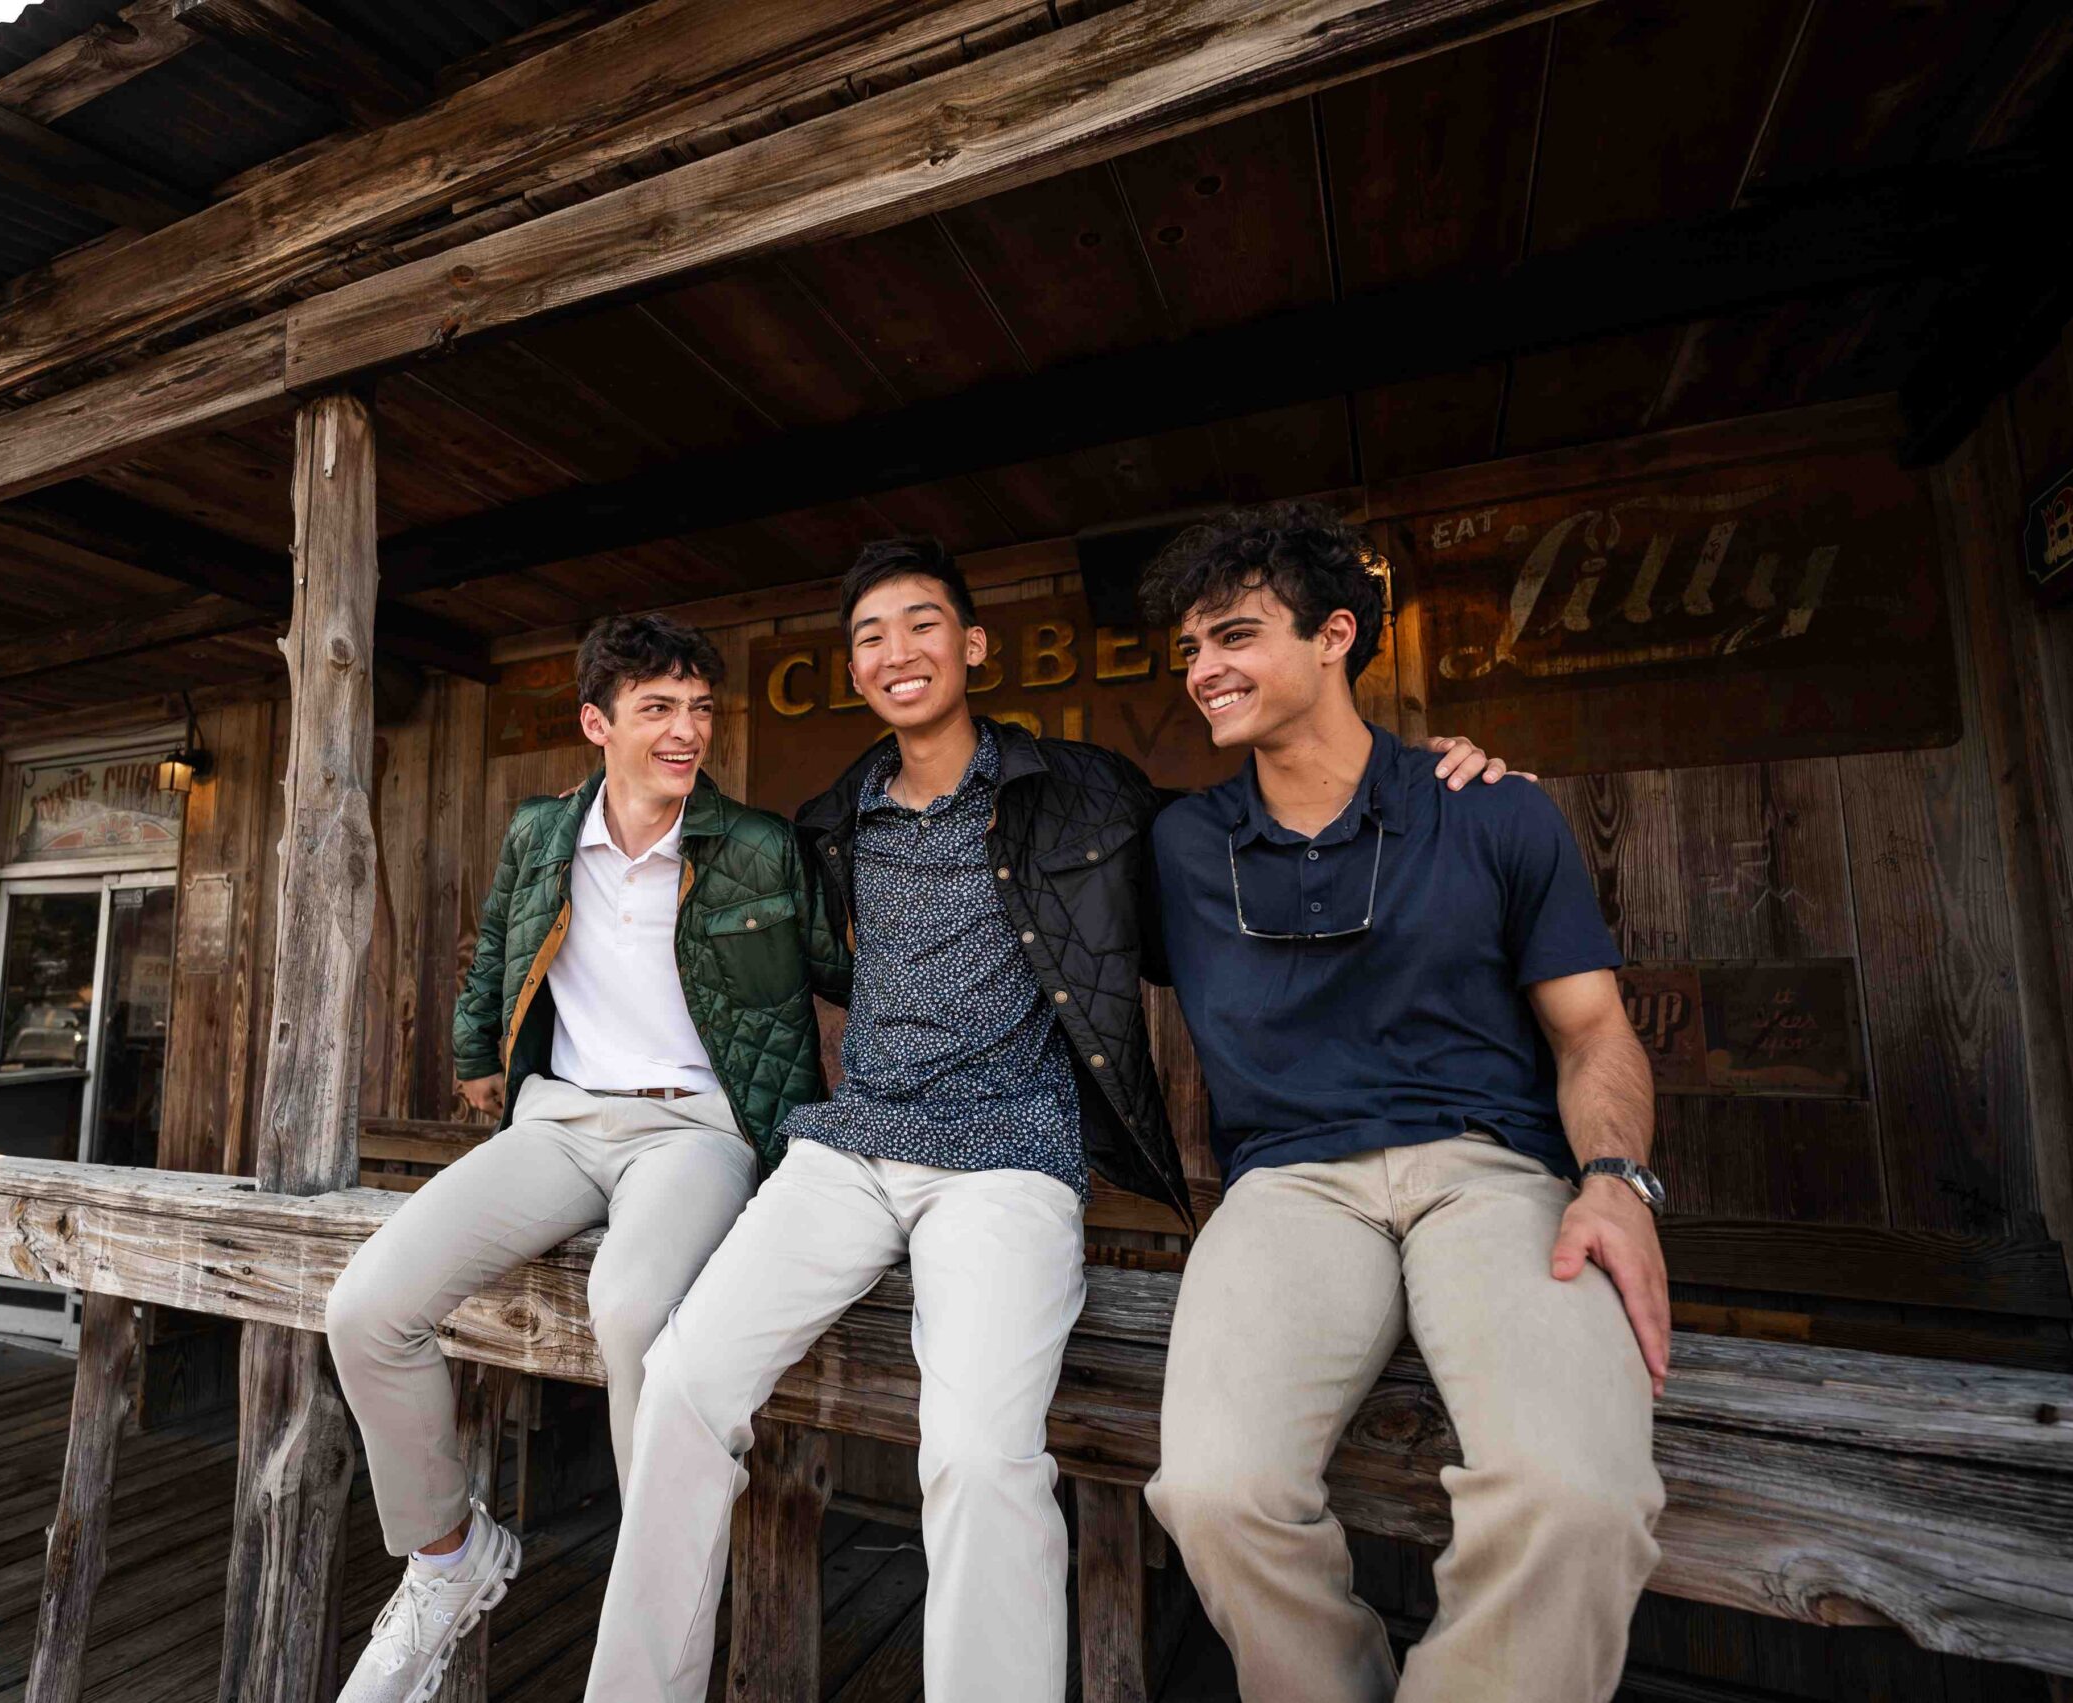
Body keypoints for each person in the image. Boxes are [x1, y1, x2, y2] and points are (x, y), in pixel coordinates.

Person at [584, 538, 1513, 1703]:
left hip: (1007, 1156)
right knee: (677, 1382)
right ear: (856, 671)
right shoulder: (836, 821)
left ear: (971, 646)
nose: (895, 650)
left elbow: (1268, 825)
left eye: (921, 624)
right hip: (850, 1147)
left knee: (977, 1455)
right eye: (870, 636)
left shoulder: (1087, 791)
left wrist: (1422, 780)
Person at [1139, 502, 1667, 1703]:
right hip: (1286, 1187)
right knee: (1214, 1492)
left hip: (1488, 1172)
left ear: (1335, 635)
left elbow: (1593, 1033)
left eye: (1233, 636)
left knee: (1578, 1493)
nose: (1203, 670)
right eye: (1189, 651)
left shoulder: (1488, 804)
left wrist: (1616, 1181)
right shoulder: (1178, 843)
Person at [323, 613, 846, 1703]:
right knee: (366, 1306)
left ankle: (648, 1626)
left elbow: (857, 972)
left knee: (632, 1310)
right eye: (658, 707)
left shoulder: (755, 844)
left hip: (699, 1129)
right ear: (595, 722)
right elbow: (494, 952)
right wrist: (477, 1055)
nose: (686, 728)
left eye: (700, 707)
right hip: (557, 1120)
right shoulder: (539, 832)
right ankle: (445, 1555)